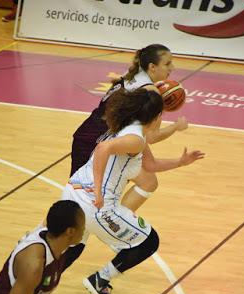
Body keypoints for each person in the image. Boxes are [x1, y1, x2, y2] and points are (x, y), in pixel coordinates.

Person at [63, 88, 204, 294]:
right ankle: (99, 279)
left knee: (73, 248)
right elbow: (102, 149)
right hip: (95, 203)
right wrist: (99, 192)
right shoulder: (135, 138)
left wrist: (180, 162)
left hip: (73, 191)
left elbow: (150, 166)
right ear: (156, 116)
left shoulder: (133, 130)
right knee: (148, 241)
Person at [70, 43, 189, 212]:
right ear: (152, 67)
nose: (173, 67)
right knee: (79, 202)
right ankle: (44, 232)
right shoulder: (151, 93)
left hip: (91, 134)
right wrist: (176, 126)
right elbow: (152, 137)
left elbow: (149, 158)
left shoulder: (132, 74)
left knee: (148, 181)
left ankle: (119, 218)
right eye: (168, 63)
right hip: (96, 142)